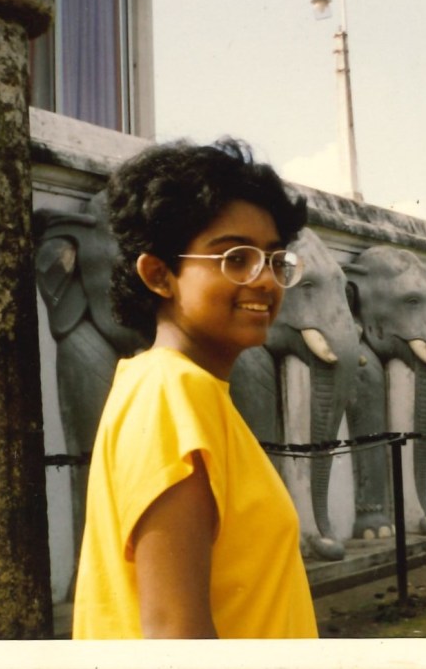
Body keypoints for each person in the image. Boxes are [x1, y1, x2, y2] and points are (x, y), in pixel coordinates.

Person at [72, 138, 318, 639]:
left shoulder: (187, 391)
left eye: (274, 260)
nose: (266, 281)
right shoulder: (171, 394)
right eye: (234, 258)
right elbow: (174, 634)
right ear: (159, 275)